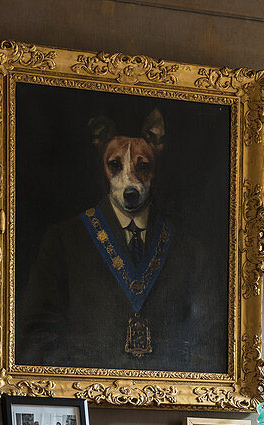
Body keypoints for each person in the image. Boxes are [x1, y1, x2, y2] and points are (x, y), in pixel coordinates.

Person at [17, 108, 225, 375]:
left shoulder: (191, 252)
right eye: (116, 166)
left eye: (143, 167)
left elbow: (209, 342)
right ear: (102, 163)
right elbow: (39, 333)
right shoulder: (64, 240)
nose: (130, 183)